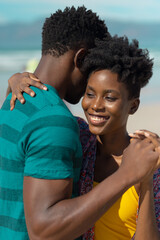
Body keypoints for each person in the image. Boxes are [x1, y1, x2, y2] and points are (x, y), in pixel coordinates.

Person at [1, 8, 160, 240]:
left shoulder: (18, 107)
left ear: (133, 106)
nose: (95, 105)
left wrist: (142, 176)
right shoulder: (77, 136)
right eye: (89, 91)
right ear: (81, 58)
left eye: (110, 97)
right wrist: (15, 78)